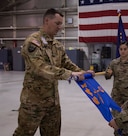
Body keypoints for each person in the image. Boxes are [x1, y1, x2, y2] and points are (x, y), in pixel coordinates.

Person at [13, 8, 94, 136]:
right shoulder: (33, 42)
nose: (60, 27)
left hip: (52, 104)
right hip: (33, 104)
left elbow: (67, 63)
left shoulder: (57, 45)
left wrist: (82, 72)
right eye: (57, 23)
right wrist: (69, 74)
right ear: (46, 21)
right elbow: (41, 68)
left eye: (61, 24)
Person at [105, 41, 128, 136]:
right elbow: (107, 77)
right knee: (116, 121)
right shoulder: (114, 63)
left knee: (127, 122)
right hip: (116, 97)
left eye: (125, 49)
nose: (123, 51)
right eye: (121, 49)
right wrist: (108, 73)